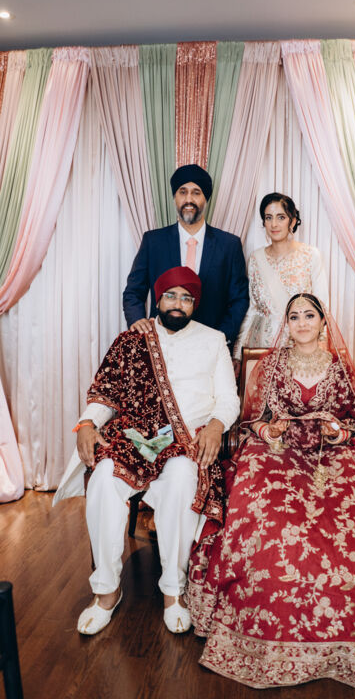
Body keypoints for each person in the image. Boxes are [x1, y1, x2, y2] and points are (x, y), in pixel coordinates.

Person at [188, 293, 355, 689]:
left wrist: (339, 432)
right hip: (279, 453)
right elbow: (253, 418)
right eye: (294, 317)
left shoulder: (340, 367)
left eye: (309, 315)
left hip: (334, 454)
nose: (302, 323)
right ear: (287, 324)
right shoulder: (272, 365)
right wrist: (269, 430)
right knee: (270, 523)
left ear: (323, 322)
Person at [54, 267, 240, 636]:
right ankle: (106, 590)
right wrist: (87, 423)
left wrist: (216, 426)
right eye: (170, 295)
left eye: (187, 298)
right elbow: (105, 394)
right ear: (158, 299)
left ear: (195, 304)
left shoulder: (213, 339)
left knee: (181, 480)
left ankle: (173, 590)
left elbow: (228, 399)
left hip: (186, 441)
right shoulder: (133, 340)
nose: (178, 304)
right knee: (103, 479)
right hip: (135, 439)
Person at [123, 164, 249, 348]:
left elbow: (239, 299)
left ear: (206, 198)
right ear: (175, 197)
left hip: (210, 346)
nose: (189, 199)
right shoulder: (153, 241)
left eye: (196, 192)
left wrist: (221, 336)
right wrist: (137, 320)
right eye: (183, 192)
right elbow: (133, 292)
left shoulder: (229, 245)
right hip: (161, 343)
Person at [233, 192, 328, 360]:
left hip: (299, 344)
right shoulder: (256, 258)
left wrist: (320, 346)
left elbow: (322, 306)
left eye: (281, 217)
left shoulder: (310, 255)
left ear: (292, 221)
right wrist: (238, 354)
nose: (274, 224)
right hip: (261, 346)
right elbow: (253, 309)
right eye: (268, 218)